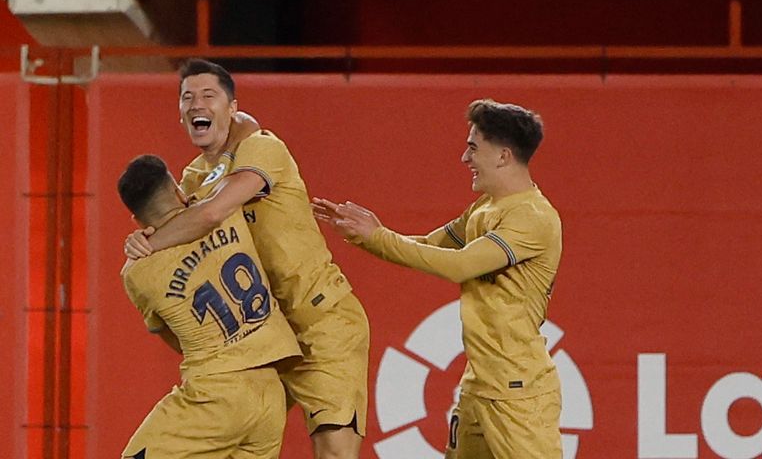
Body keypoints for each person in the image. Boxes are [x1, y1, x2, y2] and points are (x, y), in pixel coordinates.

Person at [123, 59, 370, 458]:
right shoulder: (190, 180)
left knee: (335, 454)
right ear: (180, 113)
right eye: (187, 97)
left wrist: (147, 247)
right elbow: (171, 214)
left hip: (321, 322)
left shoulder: (262, 148)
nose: (196, 104)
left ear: (232, 106)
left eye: (208, 95)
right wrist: (142, 237)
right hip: (263, 339)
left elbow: (211, 213)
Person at [312, 99, 563, 459]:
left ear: (504, 156)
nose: (465, 159)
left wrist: (378, 236)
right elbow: (429, 245)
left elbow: (458, 265)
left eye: (473, 148)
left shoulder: (533, 218)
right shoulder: (484, 208)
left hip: (519, 393)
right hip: (479, 386)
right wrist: (364, 235)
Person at [118, 154, 302, 458]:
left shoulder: (138, 272)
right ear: (178, 192)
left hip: (216, 394)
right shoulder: (224, 205)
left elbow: (172, 336)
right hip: (271, 391)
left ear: (137, 221)